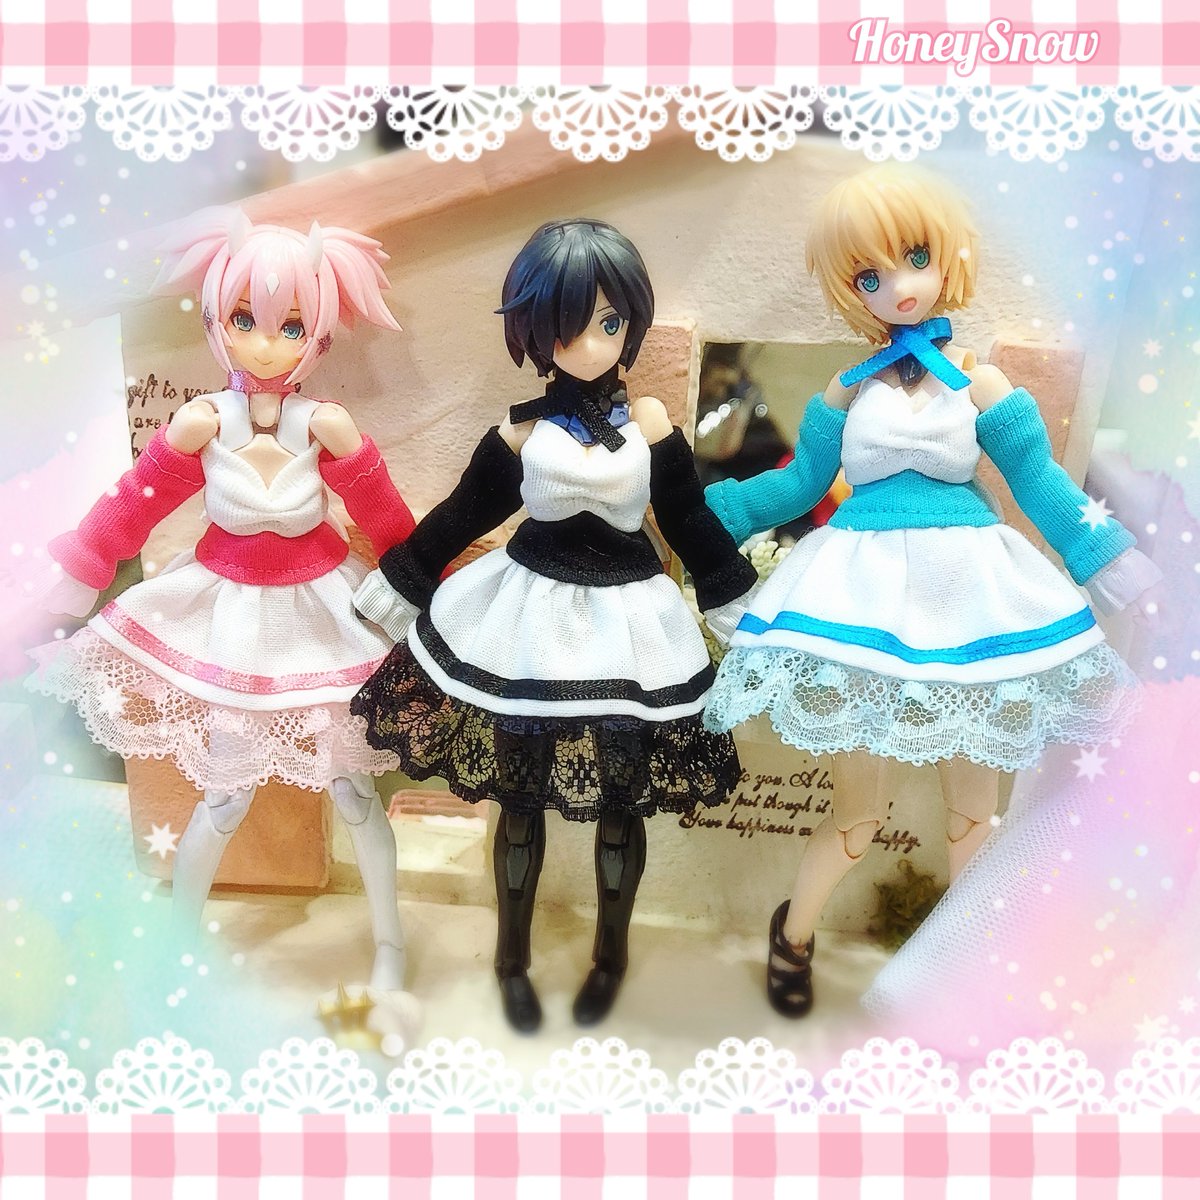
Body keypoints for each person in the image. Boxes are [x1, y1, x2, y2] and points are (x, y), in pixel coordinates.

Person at [700, 165, 1159, 1018]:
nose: (897, 286)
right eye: (869, 275)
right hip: (859, 590)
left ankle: (961, 967)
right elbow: (799, 484)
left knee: (974, 816)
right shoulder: (849, 389)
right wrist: (709, 518)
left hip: (970, 591)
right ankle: (792, 933)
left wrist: (1109, 562)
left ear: (949, 258)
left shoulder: (980, 383)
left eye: (914, 258)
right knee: (856, 817)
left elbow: (1040, 485)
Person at [350, 219, 758, 1031]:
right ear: (535, 332)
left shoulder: (651, 426)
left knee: (622, 803)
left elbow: (691, 524)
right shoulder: (522, 432)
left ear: (631, 323)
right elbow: (458, 516)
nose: (592, 344)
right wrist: (393, 589)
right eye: (569, 326)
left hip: (628, 626)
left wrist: (742, 609)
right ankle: (511, 958)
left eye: (609, 322)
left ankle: (611, 955)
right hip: (526, 621)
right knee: (519, 802)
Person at [29, 208, 416, 997]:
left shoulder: (327, 426)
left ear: (318, 335)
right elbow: (132, 505)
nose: (266, 344)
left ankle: (391, 946)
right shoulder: (201, 424)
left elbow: (388, 523)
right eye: (245, 320)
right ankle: (177, 938)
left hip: (324, 615)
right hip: (229, 615)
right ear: (215, 321)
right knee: (225, 794)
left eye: (291, 325)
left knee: (354, 791)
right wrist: (81, 570)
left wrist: (423, 588)